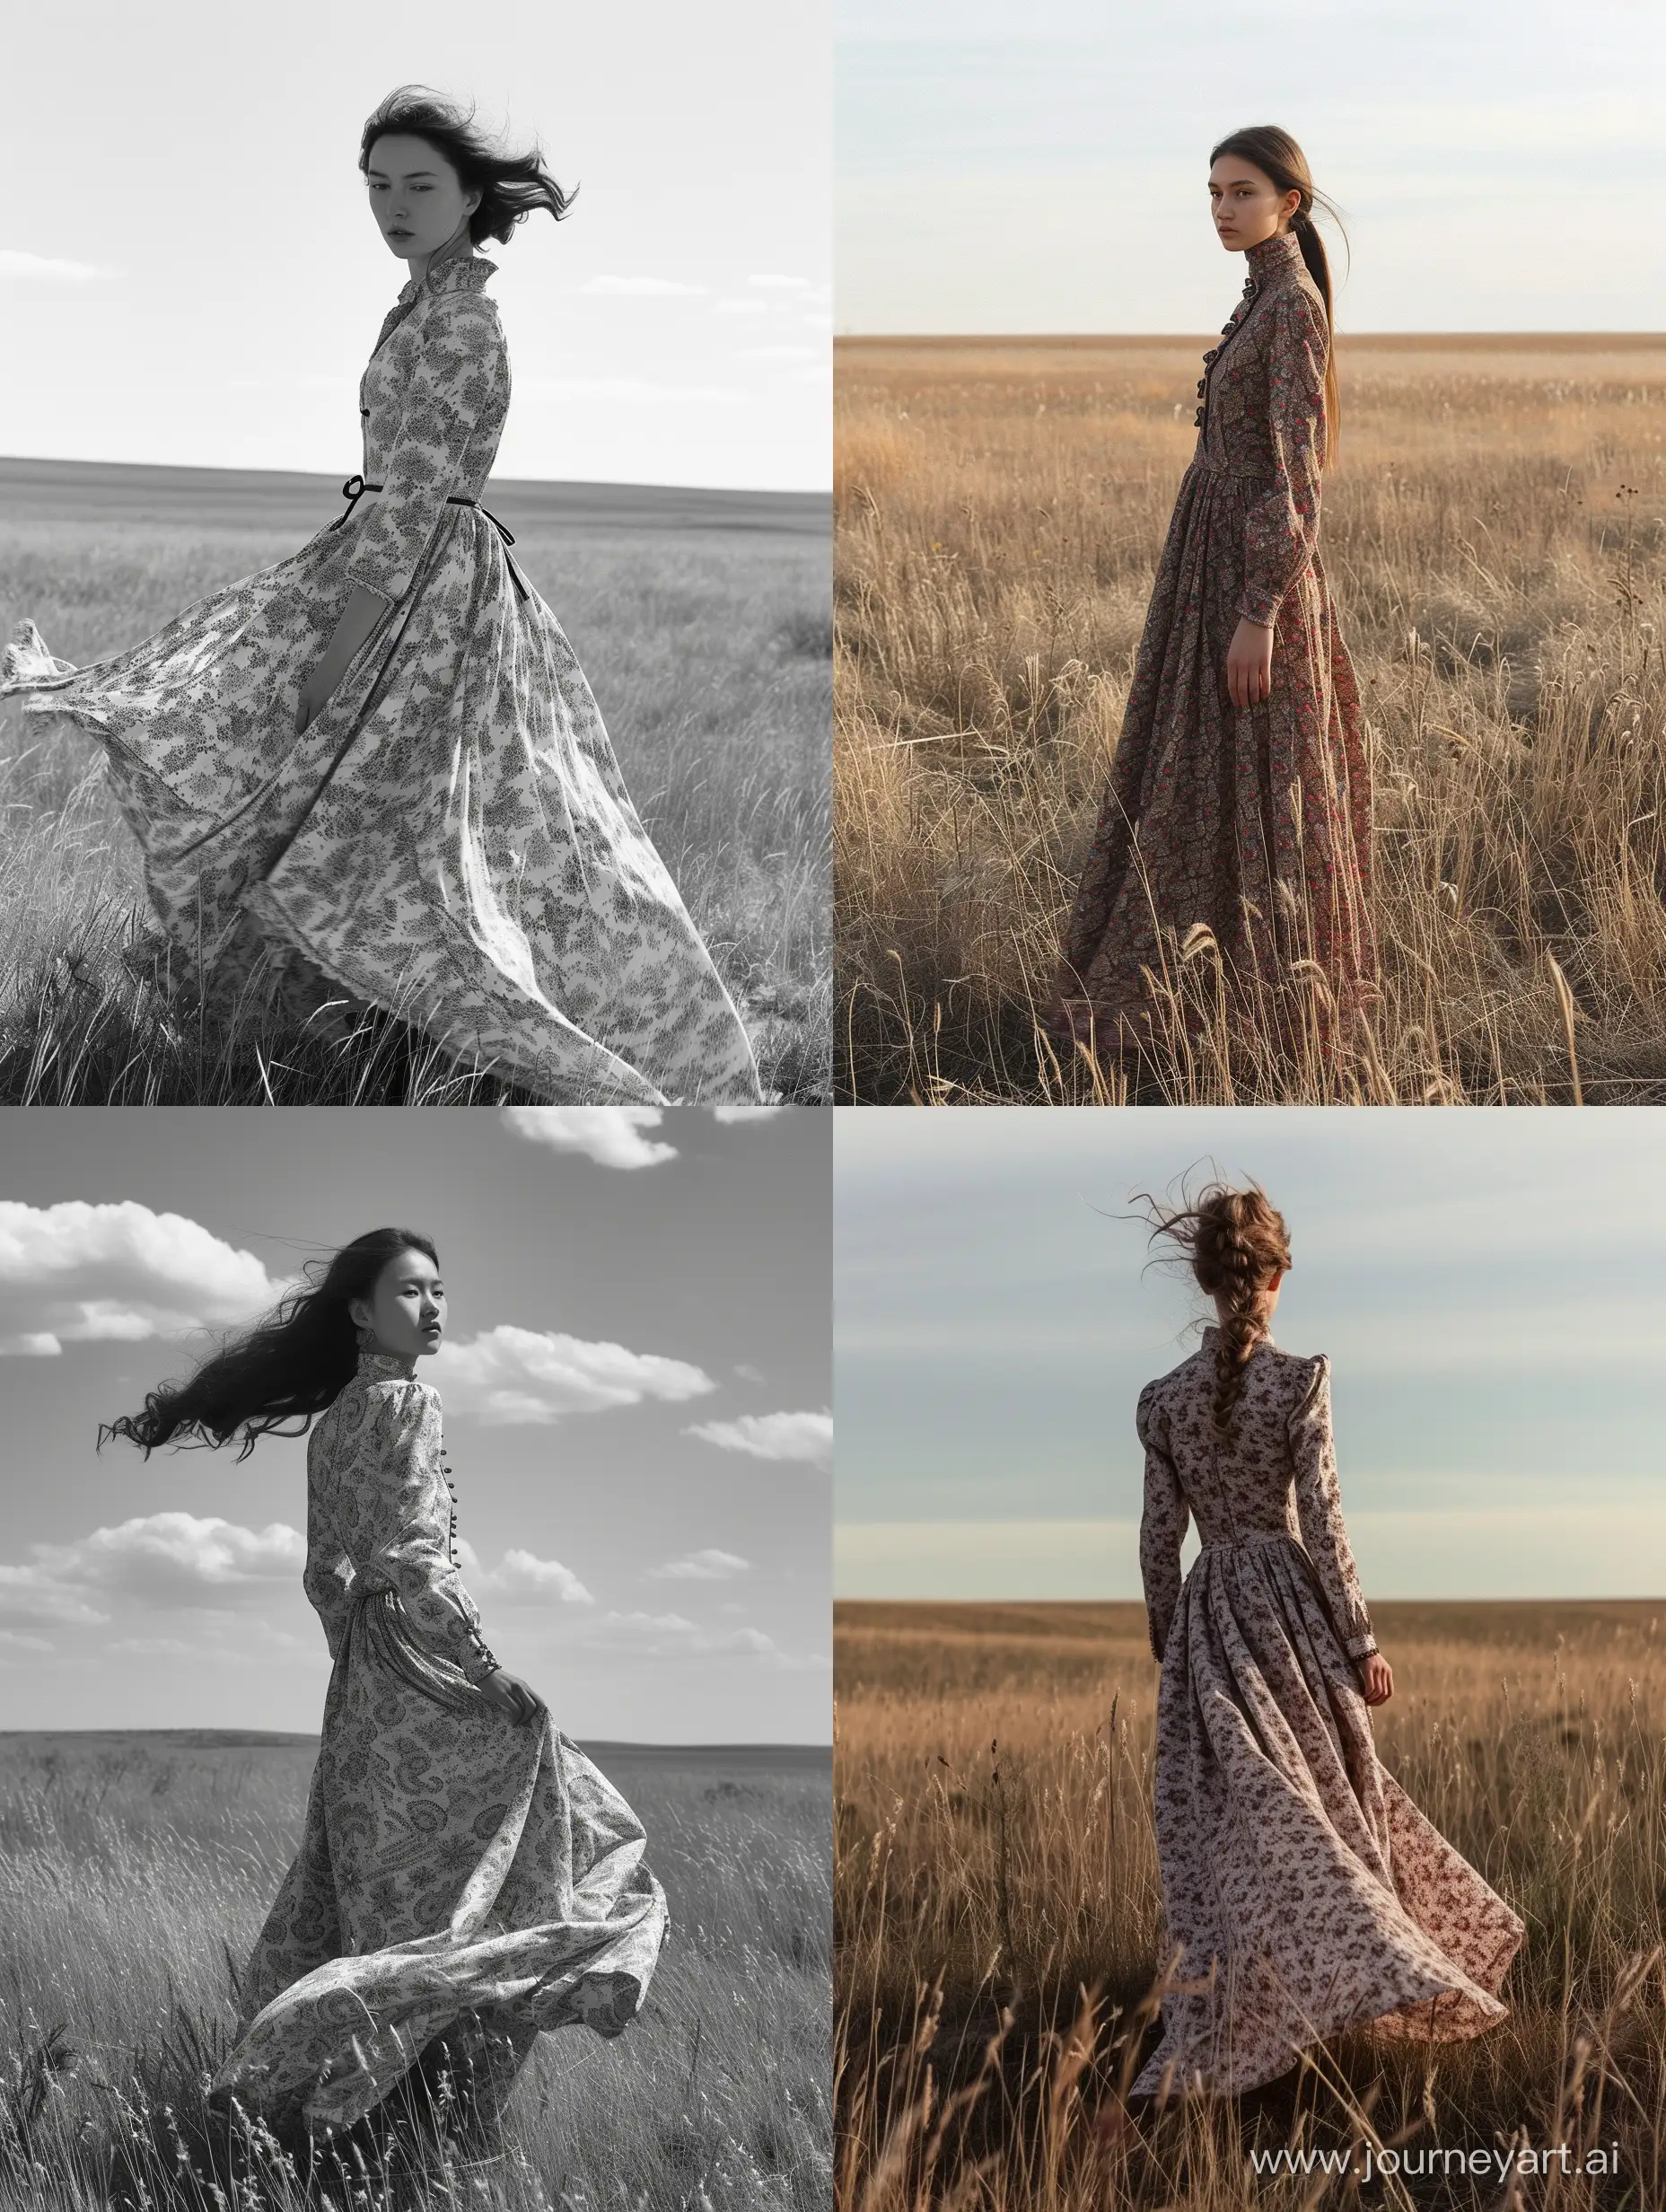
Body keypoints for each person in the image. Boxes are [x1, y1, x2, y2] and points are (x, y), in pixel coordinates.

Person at [3, 86, 762, 1107]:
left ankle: (544, 1038)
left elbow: (407, 505)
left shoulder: (460, 326)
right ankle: (341, 1026)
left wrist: (337, 650)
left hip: (420, 600)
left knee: (457, 837)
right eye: (376, 186)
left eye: (418, 185)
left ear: (468, 195)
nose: (392, 206)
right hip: (400, 574)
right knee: (356, 812)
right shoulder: (423, 304)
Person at [101, 1225, 669, 2140]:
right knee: (578, 1854)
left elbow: (326, 1573)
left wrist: (359, 1665)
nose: (434, 1307)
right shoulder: (410, 1405)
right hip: (427, 1673)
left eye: (440, 1289)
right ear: (361, 1312)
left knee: (386, 1914)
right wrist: (484, 1672)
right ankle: (428, 2130)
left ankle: (331, 2116)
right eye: (412, 1291)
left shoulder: (331, 1427)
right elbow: (415, 1560)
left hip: (365, 1687)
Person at [1126, 1182, 1521, 2099]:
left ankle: (1246, 2007)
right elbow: (1325, 1519)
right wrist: (1360, 1641)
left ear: (1205, 1281)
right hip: (1290, 1617)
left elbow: (1156, 1538)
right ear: (1275, 1276)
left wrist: (1166, 1632)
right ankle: (1375, 1965)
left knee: (1229, 1828)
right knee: (1327, 1808)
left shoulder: (1160, 1401)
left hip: (1209, 1623)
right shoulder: (1299, 1379)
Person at [1053, 127, 1375, 1068]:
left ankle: (1268, 1021)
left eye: (1239, 192)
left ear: (1289, 203)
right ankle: (1185, 1014)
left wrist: (1258, 612)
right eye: (1211, 193)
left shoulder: (1292, 309)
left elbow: (1294, 479)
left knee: (1261, 789)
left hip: (1248, 586)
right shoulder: (1261, 299)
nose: (1221, 210)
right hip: (1212, 571)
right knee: (1196, 777)